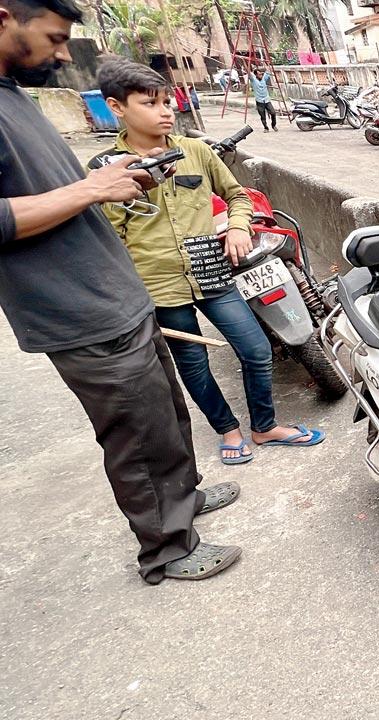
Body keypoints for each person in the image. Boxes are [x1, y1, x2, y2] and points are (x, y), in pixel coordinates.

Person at [0, 0, 241, 583]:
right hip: (79, 313)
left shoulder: (11, 96)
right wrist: (92, 190)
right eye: (55, 37)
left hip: (117, 298)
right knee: (135, 433)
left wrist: (97, 187)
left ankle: (180, 500)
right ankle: (166, 548)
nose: (63, 54)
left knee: (164, 414)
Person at [92, 59, 325, 467]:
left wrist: (238, 227)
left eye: (168, 102)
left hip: (211, 270)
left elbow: (237, 195)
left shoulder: (196, 151)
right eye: (150, 103)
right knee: (194, 364)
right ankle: (228, 431)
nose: (166, 111)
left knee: (255, 349)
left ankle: (264, 426)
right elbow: (108, 239)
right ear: (116, 106)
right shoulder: (105, 170)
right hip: (159, 285)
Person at [249, 66, 276, 131]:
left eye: (261, 74)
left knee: (273, 113)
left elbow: (268, 71)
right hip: (259, 101)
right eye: (259, 74)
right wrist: (245, 64)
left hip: (267, 100)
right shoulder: (253, 80)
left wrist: (266, 64)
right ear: (256, 75)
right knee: (263, 116)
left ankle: (273, 125)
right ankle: (266, 128)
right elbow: (249, 73)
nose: (261, 75)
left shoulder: (264, 79)